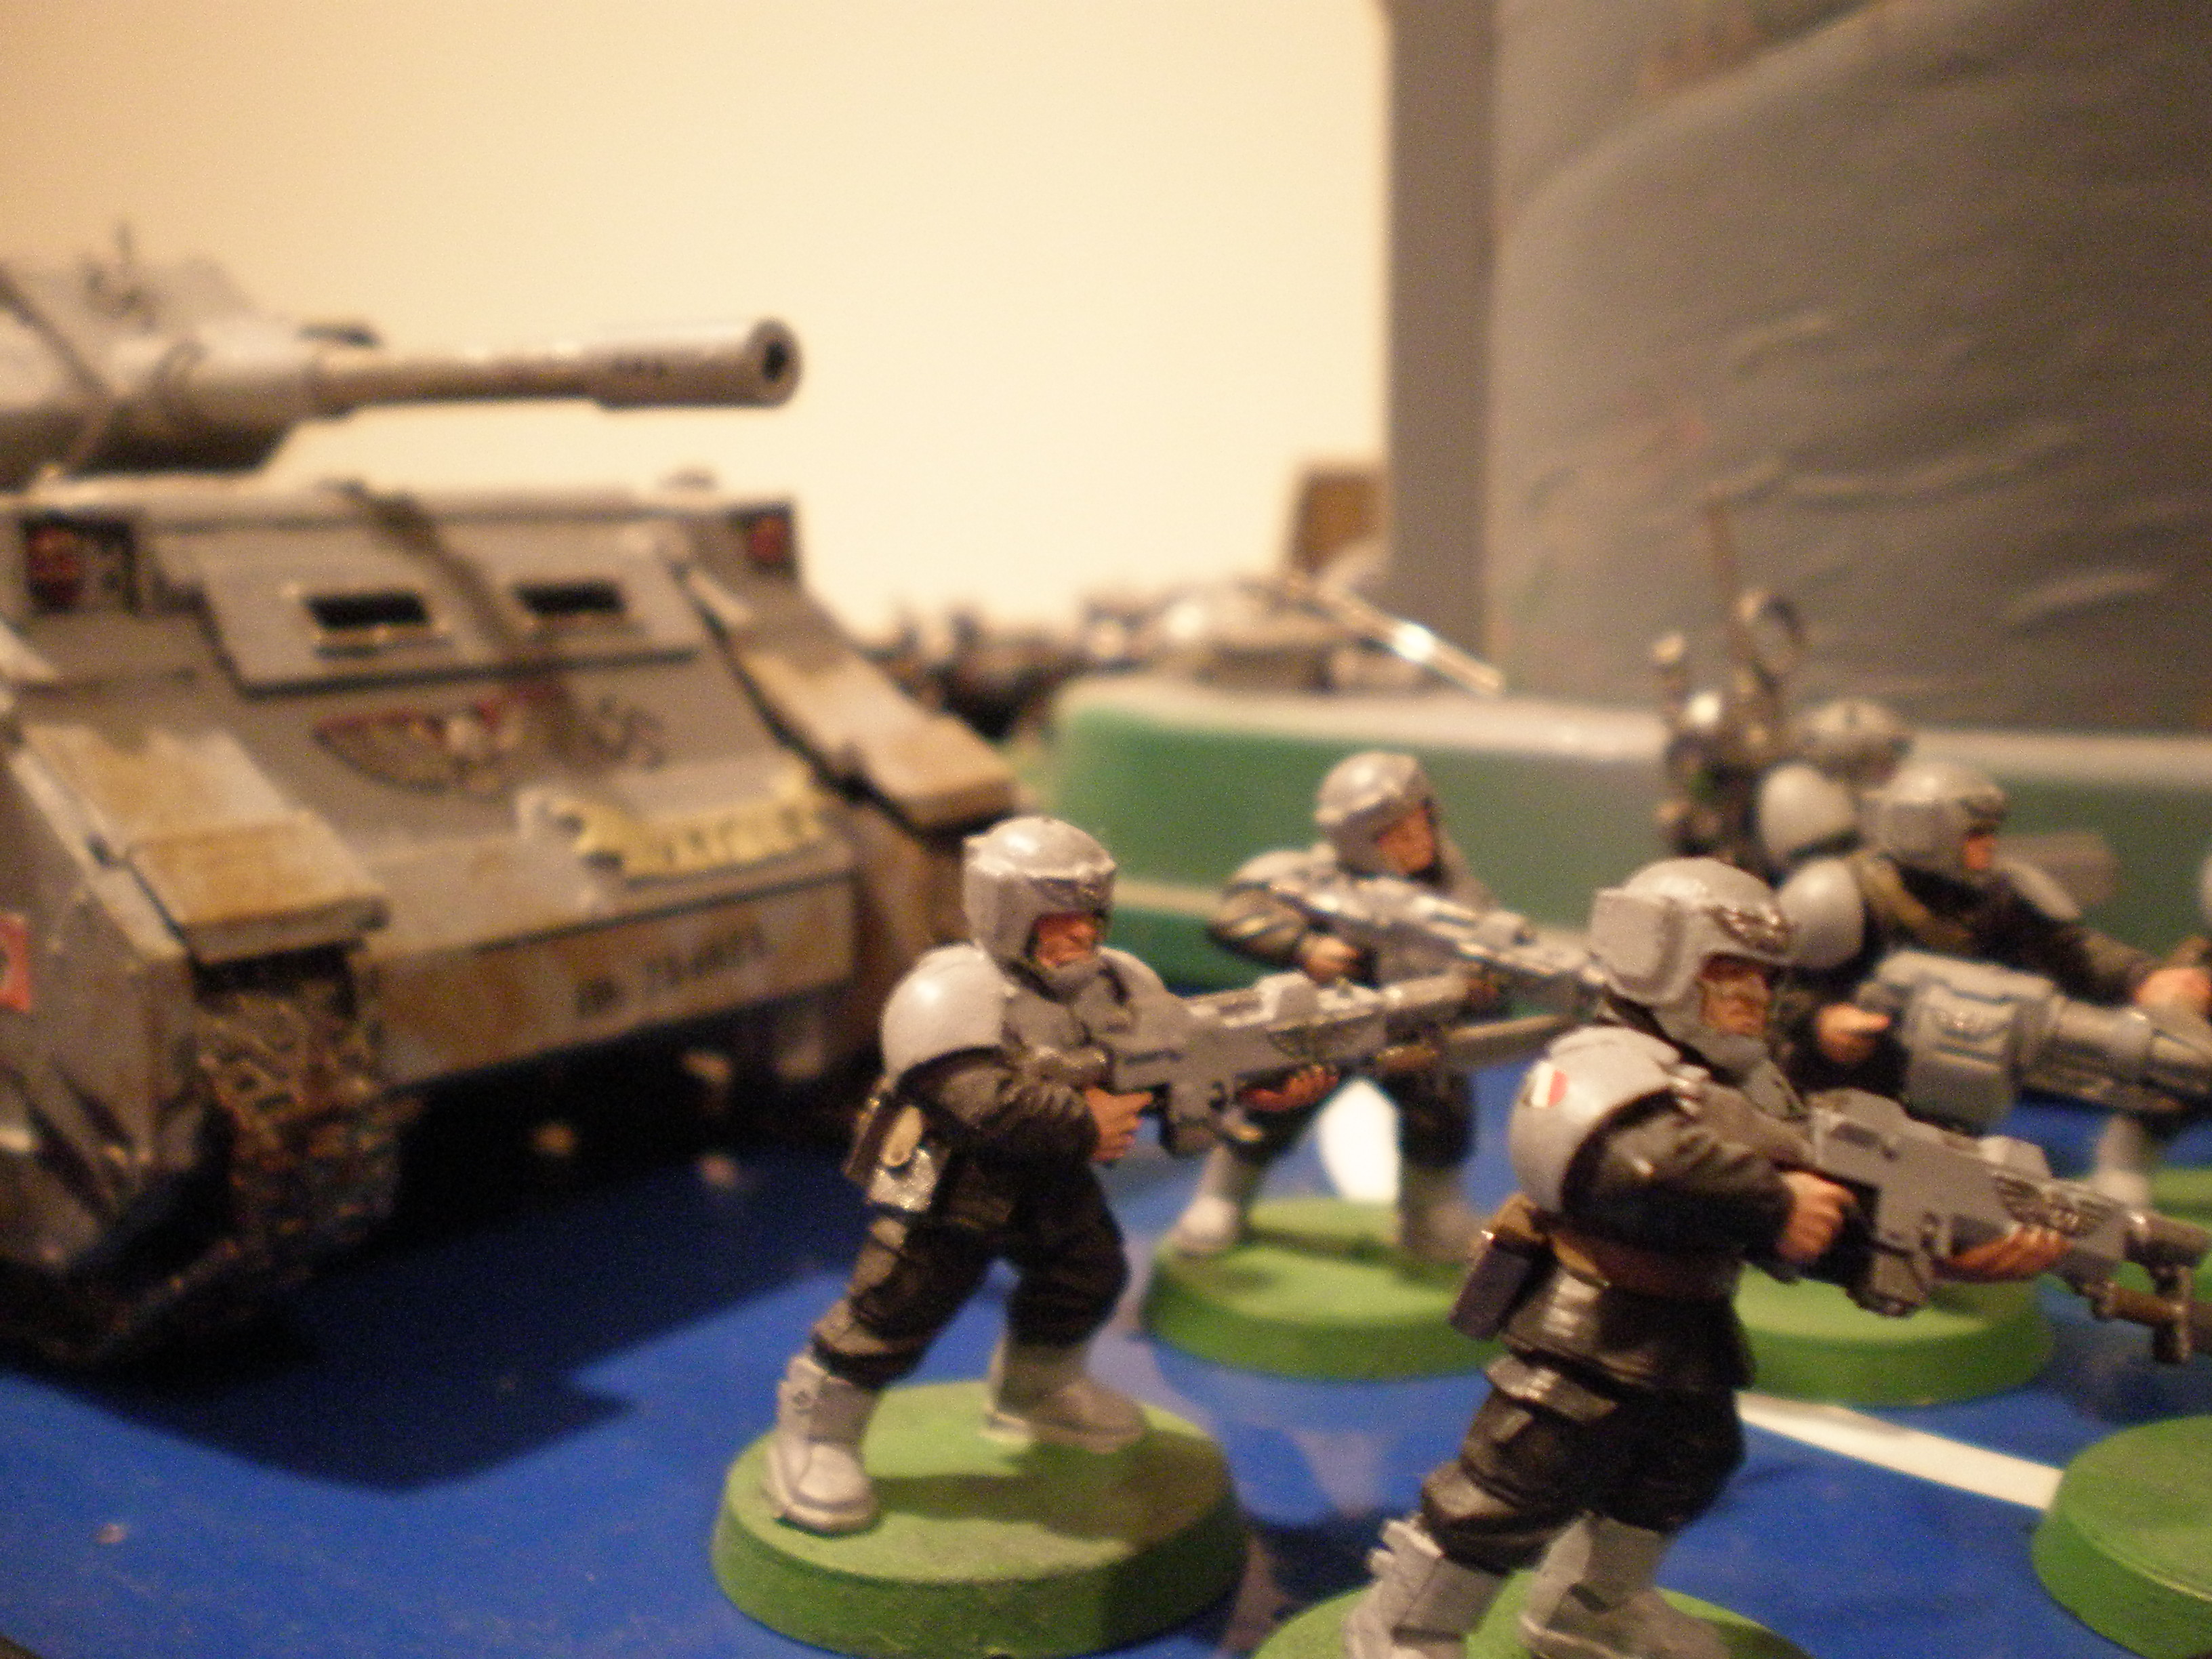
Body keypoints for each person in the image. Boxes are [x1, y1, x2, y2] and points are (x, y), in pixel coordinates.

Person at [1342, 858, 2061, 1659]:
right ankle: (1404, 1628)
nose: (1754, 996)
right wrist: (1775, 1201)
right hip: (1589, 1324)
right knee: (1519, 1481)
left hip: (1689, 1329)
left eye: (1765, 978)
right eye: (1729, 973)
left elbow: (1814, 1225)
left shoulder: (1755, 1088)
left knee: (1683, 1464)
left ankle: (1589, 1611)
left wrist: (1937, 1256)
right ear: (1657, 958)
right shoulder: (1603, 1059)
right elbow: (1637, 1163)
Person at [764, 814, 1322, 1534]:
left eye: (1090, 919)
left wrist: (1252, 1087)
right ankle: (816, 1437)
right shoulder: (950, 992)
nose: (1079, 937)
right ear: (1005, 912)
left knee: (1086, 1274)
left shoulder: (1120, 984)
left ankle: (1038, 1391)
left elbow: (1169, 1066)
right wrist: (1083, 1122)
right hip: (949, 1185)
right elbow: (977, 1103)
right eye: (1058, 921)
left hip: (1052, 1177)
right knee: (895, 1308)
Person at [1773, 758, 2212, 1165]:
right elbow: (1776, 990)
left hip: (1953, 1083)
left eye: (1990, 832)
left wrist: (2141, 977)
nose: (1989, 844)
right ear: (1924, 832)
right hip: (1847, 1085)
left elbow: (2071, 952)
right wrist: (1820, 1020)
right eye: (1976, 834)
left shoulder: (1999, 895)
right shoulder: (1839, 895)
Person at [1168, 751, 1495, 1263]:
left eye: (1421, 823)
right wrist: (1304, 946)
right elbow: (1235, 915)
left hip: (1413, 1028)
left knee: (1441, 1114)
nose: (1416, 841)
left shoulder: (1457, 892)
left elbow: (1491, 953)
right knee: (1269, 1109)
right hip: (1320, 1026)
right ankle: (1224, 1195)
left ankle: (1431, 1209)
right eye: (1394, 834)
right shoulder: (1311, 877)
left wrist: (1479, 985)